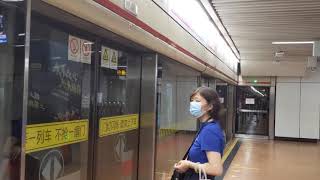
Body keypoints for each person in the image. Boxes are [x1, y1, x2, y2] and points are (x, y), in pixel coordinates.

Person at [174, 87, 225, 179]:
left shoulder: (210, 130)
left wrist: (189, 164)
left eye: (197, 101)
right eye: (192, 100)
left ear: (210, 106)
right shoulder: (206, 126)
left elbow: (216, 169)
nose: (193, 104)